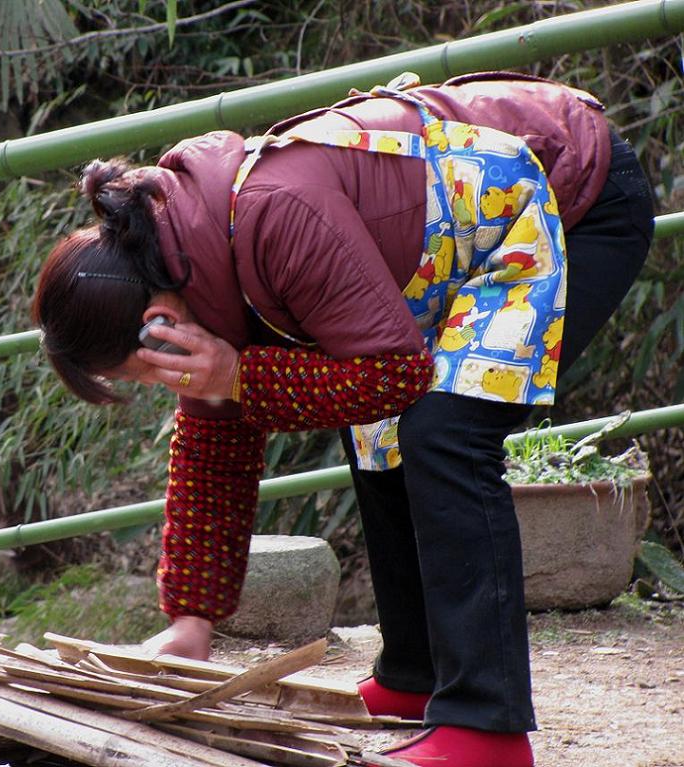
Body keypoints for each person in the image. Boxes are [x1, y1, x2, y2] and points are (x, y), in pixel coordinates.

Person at [32, 71, 654, 767]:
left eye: (134, 371)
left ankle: (488, 729)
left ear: (154, 322)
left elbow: (395, 373)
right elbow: (215, 435)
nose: (157, 380)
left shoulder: (271, 214)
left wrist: (239, 376)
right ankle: (415, 675)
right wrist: (191, 624)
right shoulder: (184, 262)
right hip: (467, 248)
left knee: (444, 430)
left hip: (574, 194)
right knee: (378, 431)